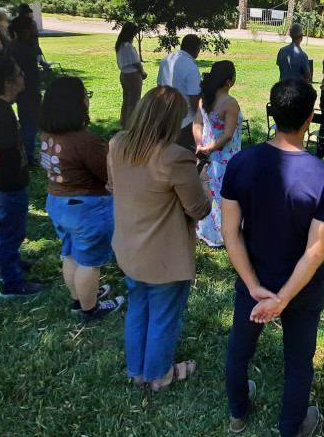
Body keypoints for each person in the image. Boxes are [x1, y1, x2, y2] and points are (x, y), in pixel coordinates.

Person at [222, 78, 324, 437]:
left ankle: (238, 414)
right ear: (310, 119)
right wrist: (284, 297)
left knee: (239, 351)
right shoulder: (323, 176)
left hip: (253, 279)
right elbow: (315, 251)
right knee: (299, 363)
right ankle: (292, 428)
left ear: (272, 112)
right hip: (301, 288)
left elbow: (229, 232)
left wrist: (254, 285)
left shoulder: (240, 163)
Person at [109, 86, 211, 391]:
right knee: (164, 317)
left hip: (129, 249)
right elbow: (198, 209)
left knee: (138, 308)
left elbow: (114, 185)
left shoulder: (117, 144)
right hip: (165, 258)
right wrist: (204, 181)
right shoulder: (175, 157)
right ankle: (160, 375)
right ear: (172, 121)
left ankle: (138, 371)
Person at [38, 77, 124, 320]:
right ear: (75, 104)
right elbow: (109, 175)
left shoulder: (47, 135)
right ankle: (90, 308)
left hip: (58, 203)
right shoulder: (86, 141)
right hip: (87, 209)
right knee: (90, 262)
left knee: (71, 253)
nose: (88, 99)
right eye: (86, 94)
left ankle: (80, 297)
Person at [0, 55, 45, 298]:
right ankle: (12, 284)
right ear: (8, 82)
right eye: (20, 74)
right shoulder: (0, 113)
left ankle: (14, 262)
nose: (23, 77)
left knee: (13, 230)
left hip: (6, 183)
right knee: (9, 234)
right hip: (7, 185)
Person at [194, 60, 242, 247]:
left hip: (207, 156)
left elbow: (197, 123)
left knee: (209, 191)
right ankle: (223, 234)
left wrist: (200, 145)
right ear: (229, 80)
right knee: (225, 195)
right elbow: (228, 134)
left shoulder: (205, 99)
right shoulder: (229, 103)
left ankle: (206, 231)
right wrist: (209, 148)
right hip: (225, 157)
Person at [156, 34, 202, 152]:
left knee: (166, 152)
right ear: (196, 49)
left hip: (166, 114)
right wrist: (200, 118)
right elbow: (194, 97)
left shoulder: (166, 60)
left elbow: (159, 87)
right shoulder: (191, 67)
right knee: (184, 154)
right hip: (186, 120)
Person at [7, 10, 42, 165]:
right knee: (30, 124)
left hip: (21, 91)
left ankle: (24, 153)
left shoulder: (13, 46)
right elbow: (27, 73)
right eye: (34, 28)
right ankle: (28, 155)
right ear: (27, 30)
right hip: (28, 91)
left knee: (26, 122)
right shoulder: (25, 48)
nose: (36, 30)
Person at [115, 25, 148, 129]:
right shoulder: (128, 46)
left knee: (126, 100)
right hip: (133, 75)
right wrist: (142, 73)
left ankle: (124, 123)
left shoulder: (120, 45)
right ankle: (131, 126)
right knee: (134, 101)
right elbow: (136, 63)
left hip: (124, 74)